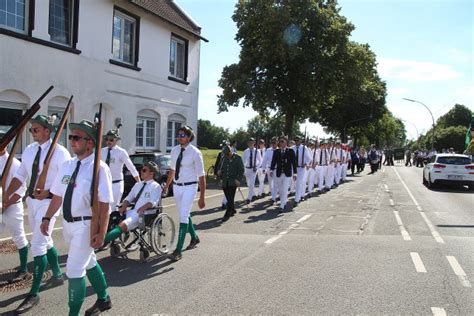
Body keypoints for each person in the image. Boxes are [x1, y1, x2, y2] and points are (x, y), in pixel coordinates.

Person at [40, 119, 114, 316]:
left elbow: (105, 204)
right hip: (68, 224)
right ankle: (104, 299)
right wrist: (47, 218)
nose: (72, 141)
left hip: (86, 224)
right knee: (88, 261)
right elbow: (57, 195)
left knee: (73, 269)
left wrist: (101, 231)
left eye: (77, 137)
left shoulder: (100, 168)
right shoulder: (67, 165)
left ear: (90, 143)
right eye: (71, 137)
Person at [7, 115, 71, 314]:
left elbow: (67, 183)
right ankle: (58, 274)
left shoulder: (61, 154)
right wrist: (7, 193)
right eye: (31, 129)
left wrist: (49, 192)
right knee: (45, 240)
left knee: (38, 243)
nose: (32, 132)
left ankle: (33, 294)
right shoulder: (29, 150)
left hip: (50, 203)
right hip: (32, 202)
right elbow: (20, 175)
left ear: (47, 131)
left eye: (36, 129)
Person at [164, 125, 205, 262]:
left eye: (182, 135)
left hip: (190, 187)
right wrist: (167, 185)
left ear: (189, 137)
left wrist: (202, 196)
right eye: (179, 135)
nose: (179, 137)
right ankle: (194, 238)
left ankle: (178, 250)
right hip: (177, 187)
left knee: (182, 216)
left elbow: (201, 176)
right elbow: (172, 170)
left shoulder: (195, 152)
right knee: (184, 213)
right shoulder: (175, 150)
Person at [104, 161, 162, 242]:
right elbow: (128, 198)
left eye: (144, 170)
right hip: (133, 211)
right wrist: (124, 205)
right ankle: (108, 239)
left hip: (145, 213)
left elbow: (153, 202)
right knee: (112, 219)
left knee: (122, 225)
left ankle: (101, 243)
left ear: (152, 173)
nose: (141, 171)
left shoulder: (156, 186)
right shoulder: (138, 185)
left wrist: (143, 208)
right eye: (141, 170)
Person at [0, 145, 28, 282]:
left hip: (12, 208)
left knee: (19, 238)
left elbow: (21, 189)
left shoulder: (15, 164)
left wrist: (6, 204)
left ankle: (23, 269)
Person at [101, 129, 140, 212]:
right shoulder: (102, 151)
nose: (108, 142)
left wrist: (139, 183)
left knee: (112, 209)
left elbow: (131, 167)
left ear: (116, 141)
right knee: (103, 208)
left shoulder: (121, 152)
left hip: (116, 184)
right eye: (107, 139)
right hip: (104, 184)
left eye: (111, 140)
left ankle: (113, 224)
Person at [216, 145, 244, 221]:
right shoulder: (223, 158)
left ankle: (227, 214)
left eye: (227, 154)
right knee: (228, 197)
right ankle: (233, 209)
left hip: (233, 181)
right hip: (225, 181)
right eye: (225, 154)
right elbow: (219, 167)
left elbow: (241, 170)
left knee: (230, 197)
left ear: (231, 151)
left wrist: (238, 179)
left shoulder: (238, 158)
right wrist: (219, 172)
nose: (226, 156)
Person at [270, 136, 297, 212]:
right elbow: (273, 161)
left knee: (285, 189)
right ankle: (284, 202)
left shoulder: (290, 151)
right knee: (281, 190)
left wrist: (295, 173)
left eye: (283, 141)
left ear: (286, 142)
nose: (281, 143)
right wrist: (271, 170)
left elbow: (294, 163)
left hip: (287, 174)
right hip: (278, 173)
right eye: (280, 141)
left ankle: (282, 206)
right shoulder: (276, 151)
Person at [293, 136, 312, 204]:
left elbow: (309, 158)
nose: (297, 141)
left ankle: (296, 200)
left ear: (300, 141)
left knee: (299, 183)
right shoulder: (292, 148)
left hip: (301, 168)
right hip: (294, 168)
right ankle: (300, 195)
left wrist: (306, 163)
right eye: (296, 140)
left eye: (298, 140)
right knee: (295, 184)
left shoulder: (304, 148)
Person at [242, 138, 262, 203]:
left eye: (252, 142)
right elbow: (243, 161)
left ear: (254, 143)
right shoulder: (245, 151)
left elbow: (260, 161)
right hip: (247, 169)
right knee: (248, 184)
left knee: (251, 184)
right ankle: (253, 194)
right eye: (249, 142)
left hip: (253, 169)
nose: (250, 144)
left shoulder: (257, 151)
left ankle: (249, 198)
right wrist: (243, 169)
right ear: (248, 143)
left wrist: (257, 167)